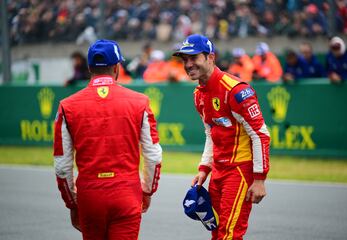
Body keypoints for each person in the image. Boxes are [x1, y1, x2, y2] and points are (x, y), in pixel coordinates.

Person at [53, 39, 162, 240]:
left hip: (90, 195)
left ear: (89, 67)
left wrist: (72, 202)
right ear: (116, 67)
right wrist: (147, 191)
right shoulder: (140, 102)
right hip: (127, 192)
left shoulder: (67, 106)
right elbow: (154, 156)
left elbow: (61, 165)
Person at [173, 34, 270, 240]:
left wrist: (260, 179)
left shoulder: (236, 90)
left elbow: (261, 134)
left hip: (239, 171)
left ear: (211, 57)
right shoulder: (198, 94)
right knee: (216, 230)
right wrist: (204, 169)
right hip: (217, 171)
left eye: (193, 58)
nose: (188, 64)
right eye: (184, 59)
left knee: (230, 234)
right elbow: (211, 133)